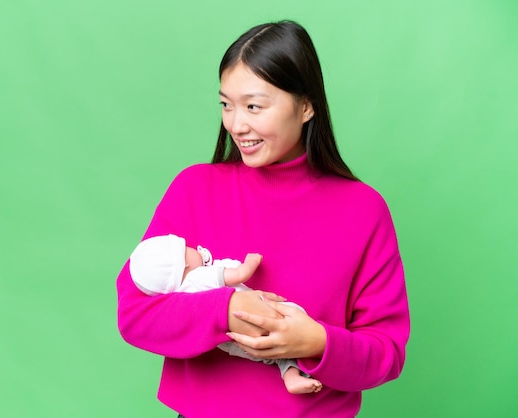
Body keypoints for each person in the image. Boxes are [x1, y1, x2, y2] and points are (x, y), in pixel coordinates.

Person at [117, 19, 410, 417]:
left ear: (306, 106)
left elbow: (386, 353)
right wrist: (225, 311)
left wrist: (316, 343)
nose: (237, 125)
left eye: (254, 106)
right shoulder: (193, 190)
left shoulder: (364, 210)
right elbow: (135, 315)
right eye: (226, 104)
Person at [128, 233, 323, 394]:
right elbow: (240, 275)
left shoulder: (181, 295)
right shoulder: (202, 276)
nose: (193, 247)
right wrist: (251, 260)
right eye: (187, 249)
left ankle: (291, 377)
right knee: (293, 319)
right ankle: (292, 375)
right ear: (184, 264)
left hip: (231, 342)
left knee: (272, 355)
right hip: (261, 315)